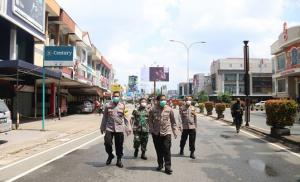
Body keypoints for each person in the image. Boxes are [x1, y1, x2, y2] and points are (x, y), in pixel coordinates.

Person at [100, 91, 131, 168]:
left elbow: (126, 118)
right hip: (109, 128)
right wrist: (102, 127)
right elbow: (105, 117)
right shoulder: (108, 105)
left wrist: (128, 128)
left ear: (119, 97)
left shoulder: (123, 106)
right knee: (107, 143)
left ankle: (119, 160)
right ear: (112, 97)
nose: (116, 97)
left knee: (119, 145)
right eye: (114, 96)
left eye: (117, 96)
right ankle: (110, 155)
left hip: (120, 128)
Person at [149, 95, 178, 175]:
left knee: (166, 150)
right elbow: (150, 121)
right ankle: (160, 164)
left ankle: (168, 167)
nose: (163, 101)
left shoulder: (169, 109)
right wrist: (151, 130)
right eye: (161, 100)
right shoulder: (152, 109)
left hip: (166, 132)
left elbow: (173, 121)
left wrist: (175, 131)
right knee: (158, 150)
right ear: (157, 101)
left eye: (164, 100)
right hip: (156, 133)